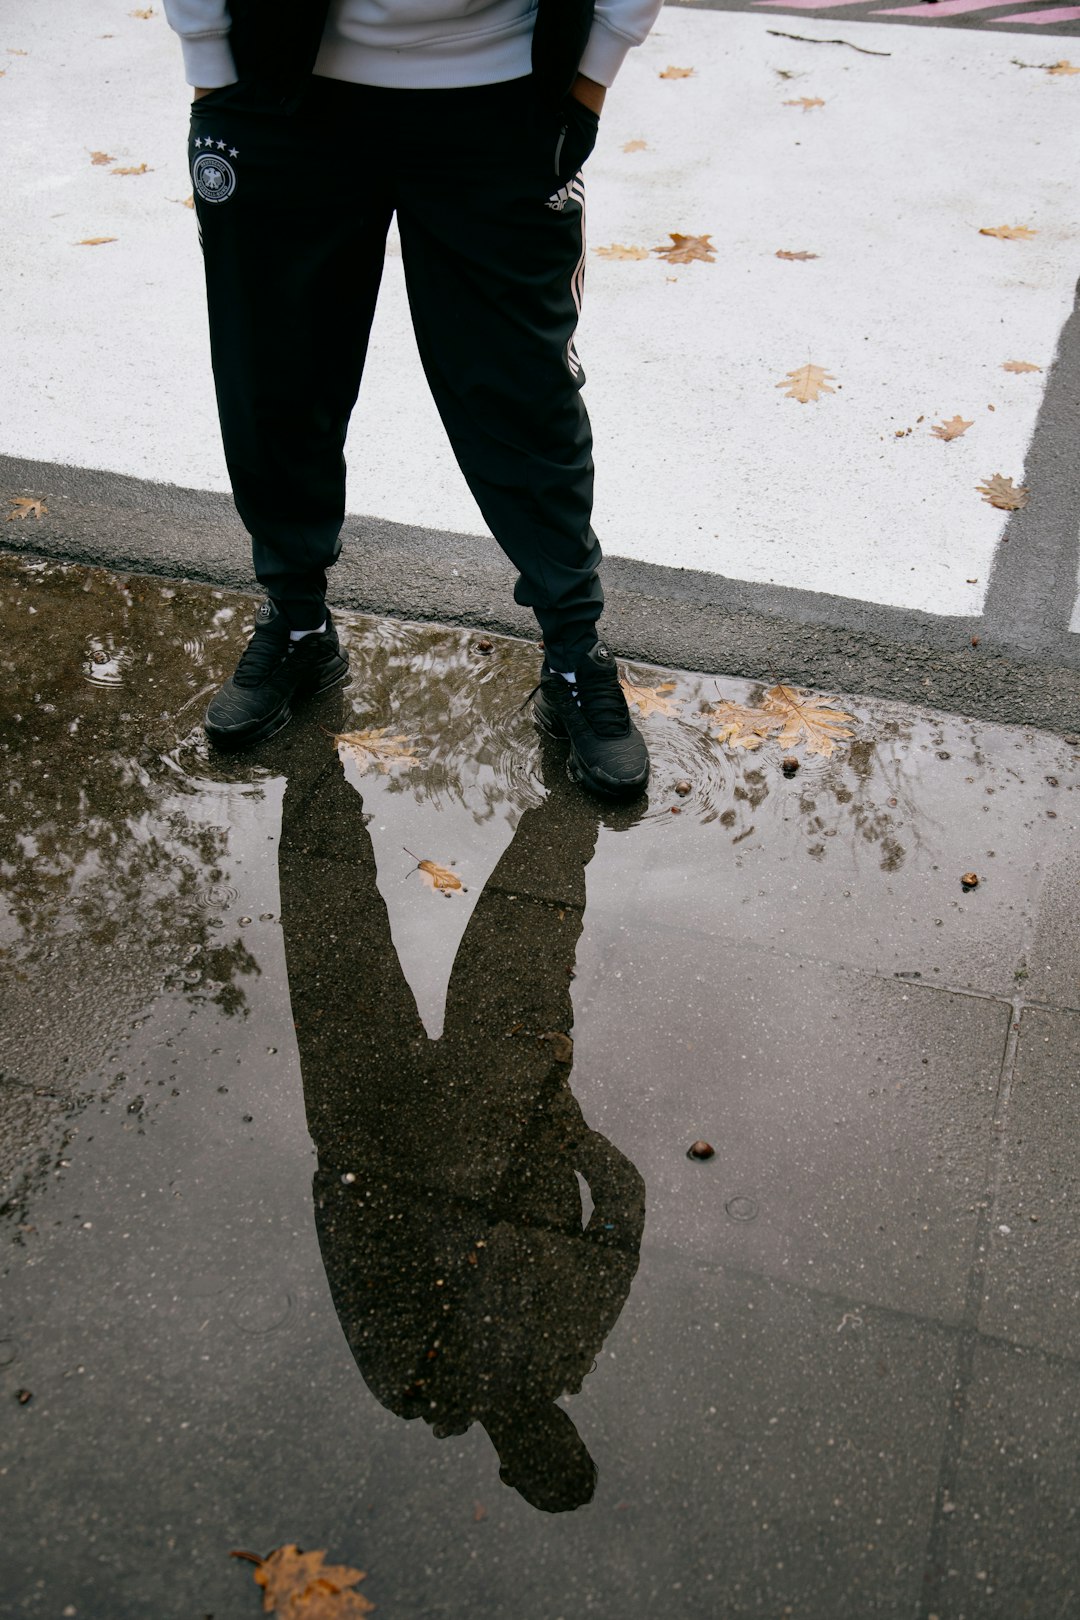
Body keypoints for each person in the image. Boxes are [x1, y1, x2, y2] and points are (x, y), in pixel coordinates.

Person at [162, 0, 662, 797]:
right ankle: (297, 622)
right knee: (275, 380)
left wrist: (593, 72)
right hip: (281, 93)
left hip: (502, 93)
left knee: (523, 396)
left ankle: (574, 653)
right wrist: (210, 64)